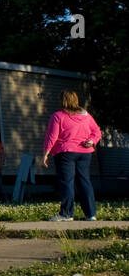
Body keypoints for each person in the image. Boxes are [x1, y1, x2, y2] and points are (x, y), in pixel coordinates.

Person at [40, 90, 101, 221]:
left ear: (62, 100)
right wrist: (92, 141)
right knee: (84, 181)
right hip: (84, 152)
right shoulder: (86, 115)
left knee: (67, 182)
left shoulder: (58, 116)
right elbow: (96, 131)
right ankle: (91, 214)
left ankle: (67, 214)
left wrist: (46, 153)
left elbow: (52, 136)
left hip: (66, 153)